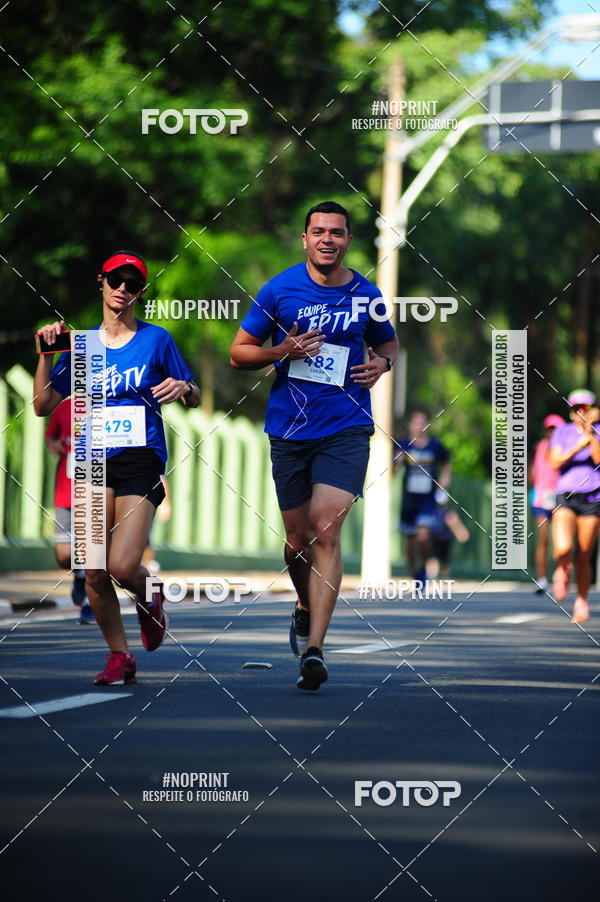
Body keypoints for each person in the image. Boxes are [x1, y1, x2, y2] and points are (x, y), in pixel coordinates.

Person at [230, 201, 398, 691]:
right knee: (298, 540)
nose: (328, 239)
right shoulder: (279, 290)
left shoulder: (368, 295)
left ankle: (315, 650)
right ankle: (303, 604)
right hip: (289, 430)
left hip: (346, 426)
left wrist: (382, 367)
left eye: (338, 233)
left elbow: (389, 345)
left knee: (326, 529)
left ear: (349, 241)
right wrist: (282, 351)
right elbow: (238, 352)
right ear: (305, 238)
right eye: (319, 232)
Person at [33, 250, 200, 683]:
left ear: (141, 291)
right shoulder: (83, 346)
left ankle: (150, 597)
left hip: (139, 457)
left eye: (132, 283)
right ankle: (119, 656)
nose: (122, 289)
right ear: (101, 282)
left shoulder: (156, 340)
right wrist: (47, 355)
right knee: (93, 568)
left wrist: (185, 386)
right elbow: (42, 405)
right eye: (115, 280)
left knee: (124, 566)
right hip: (90, 458)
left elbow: (193, 393)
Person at [548, 390, 600, 622]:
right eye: (577, 408)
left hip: (592, 498)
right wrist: (580, 445)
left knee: (584, 554)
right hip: (566, 496)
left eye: (586, 408)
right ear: (570, 412)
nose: (581, 413)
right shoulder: (562, 432)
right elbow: (555, 461)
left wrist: (591, 434)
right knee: (563, 547)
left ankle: (581, 600)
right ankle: (561, 569)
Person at [45, 396, 95, 623]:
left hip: (97, 491)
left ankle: (88, 603)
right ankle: (79, 575)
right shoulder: (65, 406)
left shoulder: (112, 404)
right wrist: (52, 444)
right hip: (66, 491)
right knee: (64, 555)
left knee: (91, 550)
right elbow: (50, 436)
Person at [393, 410, 451, 585]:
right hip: (409, 500)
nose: (419, 426)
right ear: (411, 425)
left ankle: (426, 569)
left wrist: (445, 477)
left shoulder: (435, 446)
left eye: (422, 422)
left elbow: (447, 460)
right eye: (416, 422)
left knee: (424, 536)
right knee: (410, 543)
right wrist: (398, 461)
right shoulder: (404, 445)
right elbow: (393, 471)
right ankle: (415, 574)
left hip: (427, 499)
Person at [529, 414, 565, 594]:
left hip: (559, 496)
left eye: (556, 429)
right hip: (540, 498)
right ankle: (542, 579)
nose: (552, 432)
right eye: (550, 429)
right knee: (543, 538)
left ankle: (561, 574)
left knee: (560, 541)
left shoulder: (565, 448)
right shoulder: (539, 447)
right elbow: (532, 474)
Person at [427, 488, 470, 579]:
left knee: (442, 559)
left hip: (443, 540)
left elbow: (454, 523)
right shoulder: (434, 512)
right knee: (435, 559)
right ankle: (434, 577)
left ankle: (442, 577)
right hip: (435, 539)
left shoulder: (446, 513)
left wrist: (460, 532)